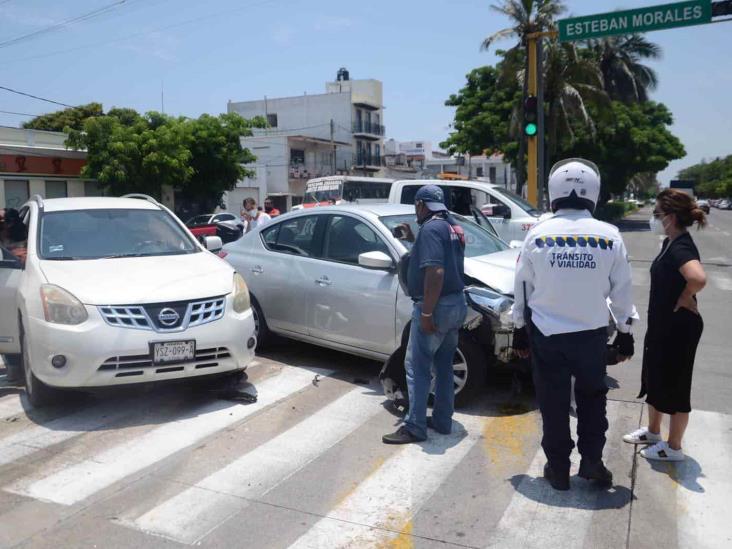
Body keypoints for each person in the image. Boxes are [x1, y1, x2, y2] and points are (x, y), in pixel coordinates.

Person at [512, 158, 636, 491]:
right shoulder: (610, 237)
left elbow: (522, 286)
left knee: (552, 403)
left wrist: (519, 329)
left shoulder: (537, 235)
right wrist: (625, 332)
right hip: (590, 336)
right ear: (593, 193)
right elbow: (623, 292)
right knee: (592, 399)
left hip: (546, 336)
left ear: (554, 192)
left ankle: (558, 469)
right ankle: (592, 462)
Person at [623, 189, 706, 462]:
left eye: (657, 213)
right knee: (655, 377)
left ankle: (674, 447)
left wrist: (685, 296)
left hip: (679, 329)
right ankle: (654, 431)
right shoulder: (669, 242)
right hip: (662, 326)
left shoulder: (681, 245)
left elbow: (698, 278)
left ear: (669, 217)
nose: (653, 218)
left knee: (677, 384)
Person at [382, 185, 467, 444]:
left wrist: (427, 312)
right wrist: (413, 238)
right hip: (456, 304)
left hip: (436, 306)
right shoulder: (451, 226)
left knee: (417, 367)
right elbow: (443, 253)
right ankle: (442, 420)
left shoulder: (430, 229)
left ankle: (415, 426)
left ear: (420, 205)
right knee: (443, 365)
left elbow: (436, 272)